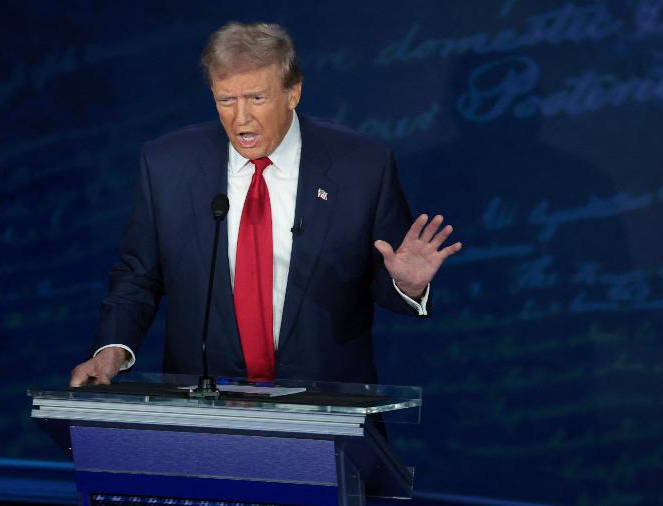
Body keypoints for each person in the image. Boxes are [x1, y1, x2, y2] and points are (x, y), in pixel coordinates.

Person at [70, 22, 461, 387]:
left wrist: (407, 285)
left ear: (293, 92)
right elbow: (137, 276)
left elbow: (384, 272)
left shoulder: (361, 166)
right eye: (226, 100)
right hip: (205, 414)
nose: (241, 118)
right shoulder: (167, 165)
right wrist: (111, 350)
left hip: (324, 408)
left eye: (256, 98)